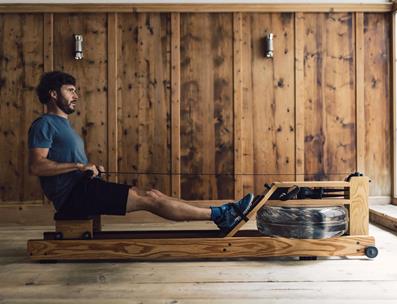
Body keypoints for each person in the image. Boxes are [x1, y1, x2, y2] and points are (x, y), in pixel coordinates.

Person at [28, 71, 255, 234]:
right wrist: (79, 166)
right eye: (70, 90)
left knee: (153, 195)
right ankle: (221, 215)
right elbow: (37, 165)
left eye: (75, 91)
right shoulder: (44, 124)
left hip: (83, 188)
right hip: (73, 197)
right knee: (149, 198)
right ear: (54, 94)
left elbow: (67, 163)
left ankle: (219, 213)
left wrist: (90, 169)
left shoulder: (64, 125)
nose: (76, 96)